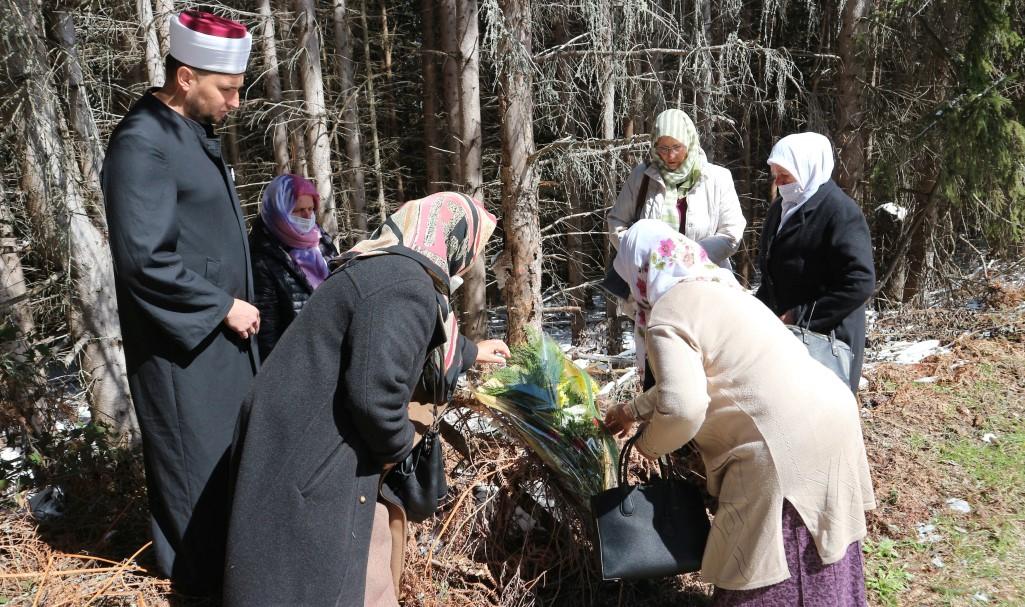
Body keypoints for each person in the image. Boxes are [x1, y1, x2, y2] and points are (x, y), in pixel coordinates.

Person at [223, 192, 511, 607]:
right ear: (454, 239)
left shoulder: (388, 268)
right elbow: (376, 397)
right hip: (316, 462)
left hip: (296, 441)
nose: (470, 258)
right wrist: (397, 452)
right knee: (331, 577)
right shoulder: (406, 287)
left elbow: (403, 343)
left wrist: (471, 352)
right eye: (471, 245)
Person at [604, 220, 876, 606]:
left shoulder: (668, 313)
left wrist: (647, 446)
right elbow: (713, 374)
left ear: (640, 268)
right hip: (832, 416)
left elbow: (684, 406)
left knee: (767, 570)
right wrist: (632, 409)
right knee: (821, 556)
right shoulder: (722, 288)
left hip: (782, 445)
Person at [101, 10, 257, 595]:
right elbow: (144, 259)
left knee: (226, 476)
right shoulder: (142, 142)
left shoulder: (186, 132)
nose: (235, 104)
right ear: (186, 77)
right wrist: (223, 305)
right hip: (180, 353)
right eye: (228, 90)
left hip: (217, 345)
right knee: (195, 484)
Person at [755, 132, 875, 392]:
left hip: (828, 340)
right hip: (786, 338)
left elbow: (860, 282)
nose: (779, 182)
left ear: (808, 169)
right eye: (776, 175)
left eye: (786, 176)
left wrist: (801, 315)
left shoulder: (840, 212)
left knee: (821, 420)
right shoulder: (781, 209)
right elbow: (772, 274)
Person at [607, 108, 746, 270]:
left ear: (689, 143)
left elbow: (731, 234)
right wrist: (643, 255)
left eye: (676, 147)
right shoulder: (641, 176)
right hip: (651, 281)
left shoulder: (717, 178)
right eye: (663, 148)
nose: (670, 156)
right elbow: (617, 223)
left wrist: (688, 257)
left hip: (704, 282)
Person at [250, 174, 339, 359]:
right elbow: (267, 330)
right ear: (279, 210)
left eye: (311, 209)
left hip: (333, 343)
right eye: (299, 210)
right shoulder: (262, 256)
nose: (307, 216)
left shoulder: (320, 239)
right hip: (299, 357)